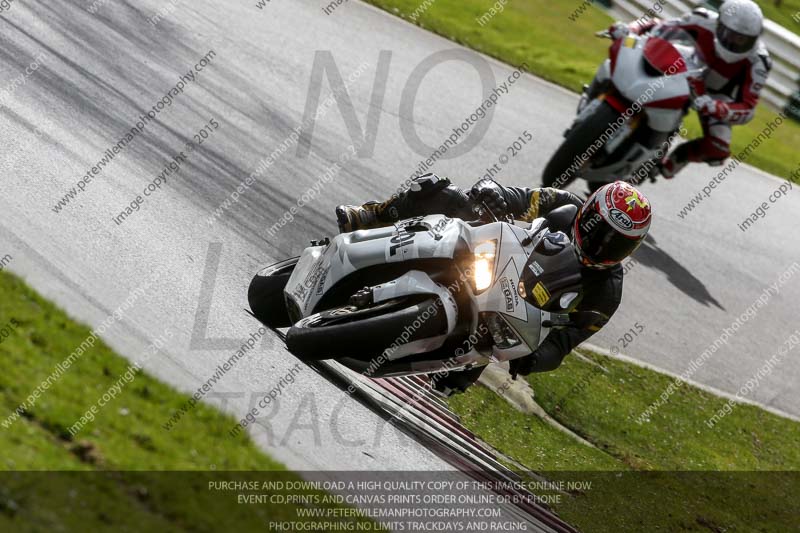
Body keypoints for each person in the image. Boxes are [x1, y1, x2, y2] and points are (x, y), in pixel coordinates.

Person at [335, 174, 652, 393]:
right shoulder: (563, 203)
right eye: (600, 232)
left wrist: (534, 360)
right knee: (439, 191)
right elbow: (514, 196)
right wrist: (492, 194)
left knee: (453, 380)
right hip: (493, 257)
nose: (602, 246)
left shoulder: (606, 293)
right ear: (589, 210)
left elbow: (563, 346)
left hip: (507, 319)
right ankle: (370, 216)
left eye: (616, 244)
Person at [606, 0, 770, 179]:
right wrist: (632, 30)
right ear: (719, 25)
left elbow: (748, 107)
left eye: (741, 39)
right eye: (730, 34)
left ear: (754, 38)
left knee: (718, 148)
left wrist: (716, 107)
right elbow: (661, 26)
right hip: (688, 65)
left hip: (716, 96)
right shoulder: (703, 19)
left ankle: (672, 160)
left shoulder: (759, 62)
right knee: (632, 54)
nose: (733, 42)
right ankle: (605, 92)